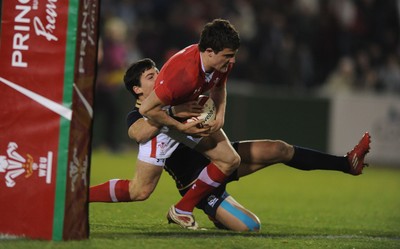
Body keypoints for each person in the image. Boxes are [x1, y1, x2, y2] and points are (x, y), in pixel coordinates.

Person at [90, 58, 371, 231]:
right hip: (197, 182)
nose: (160, 77)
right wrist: (173, 116)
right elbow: (138, 133)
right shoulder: (140, 113)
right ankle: (201, 211)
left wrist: (209, 116)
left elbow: (209, 102)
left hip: (220, 157)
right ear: (137, 90)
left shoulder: (176, 96)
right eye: (152, 76)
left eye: (159, 72)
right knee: (251, 227)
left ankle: (346, 163)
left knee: (279, 148)